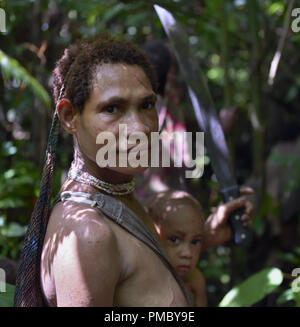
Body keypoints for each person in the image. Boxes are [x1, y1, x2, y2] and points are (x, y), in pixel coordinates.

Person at [14, 34, 254, 307]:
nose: (139, 128)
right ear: (70, 116)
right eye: (112, 108)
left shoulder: (115, 196)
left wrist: (204, 237)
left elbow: (136, 271)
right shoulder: (88, 234)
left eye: (146, 106)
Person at [146, 189, 253, 307]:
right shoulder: (138, 277)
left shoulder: (195, 279)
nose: (187, 254)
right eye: (174, 239)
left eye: (195, 241)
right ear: (149, 235)